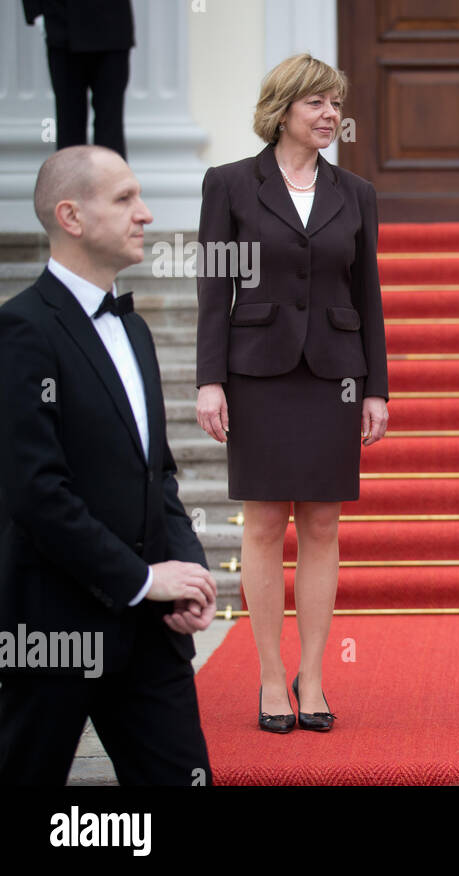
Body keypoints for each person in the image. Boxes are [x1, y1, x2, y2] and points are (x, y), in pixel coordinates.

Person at [0, 145, 217, 784]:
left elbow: (161, 475)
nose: (145, 214)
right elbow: (37, 494)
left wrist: (191, 576)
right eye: (124, 199)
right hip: (53, 631)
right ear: (70, 215)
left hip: (152, 637)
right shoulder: (20, 331)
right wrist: (144, 580)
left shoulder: (137, 329)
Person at [194, 54, 388, 734]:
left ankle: (313, 677)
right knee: (265, 523)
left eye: (336, 103)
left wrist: (375, 389)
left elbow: (368, 294)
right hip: (257, 373)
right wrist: (209, 379)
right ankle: (270, 679)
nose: (331, 115)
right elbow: (214, 288)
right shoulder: (229, 185)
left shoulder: (355, 191)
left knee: (324, 524)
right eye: (317, 104)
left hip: (335, 374)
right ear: (282, 110)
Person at [22, 0, 134, 158]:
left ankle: (111, 182)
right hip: (62, 23)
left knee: (110, 127)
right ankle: (69, 181)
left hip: (112, 25)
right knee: (69, 124)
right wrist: (36, 11)